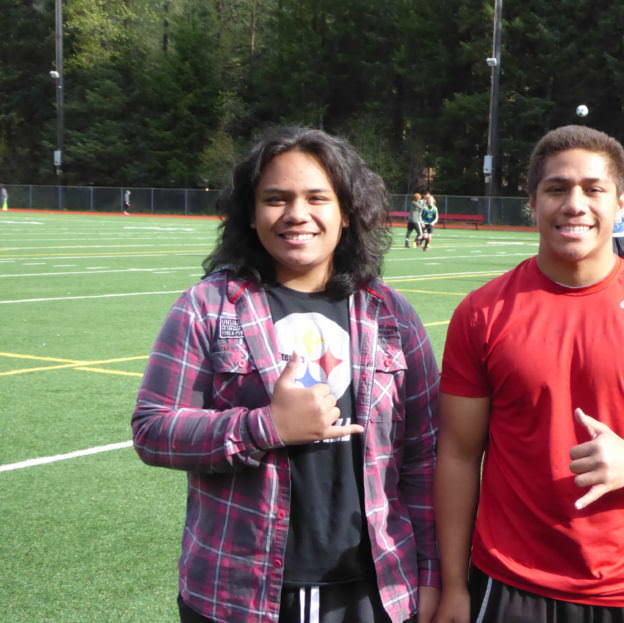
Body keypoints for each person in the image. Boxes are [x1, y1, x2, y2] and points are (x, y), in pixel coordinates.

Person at [132, 127, 440, 623]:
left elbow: (424, 459)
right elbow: (152, 429)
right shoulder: (208, 307)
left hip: (374, 589)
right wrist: (266, 426)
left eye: (317, 197)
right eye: (276, 199)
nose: (297, 214)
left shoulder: (392, 315)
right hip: (237, 593)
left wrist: (431, 575)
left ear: (346, 213)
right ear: (251, 216)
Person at [434, 125, 624, 623]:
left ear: (620, 203)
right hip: (509, 582)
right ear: (532, 201)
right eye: (557, 189)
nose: (574, 204)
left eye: (593, 189)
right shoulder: (482, 314)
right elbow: (458, 455)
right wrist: (453, 584)